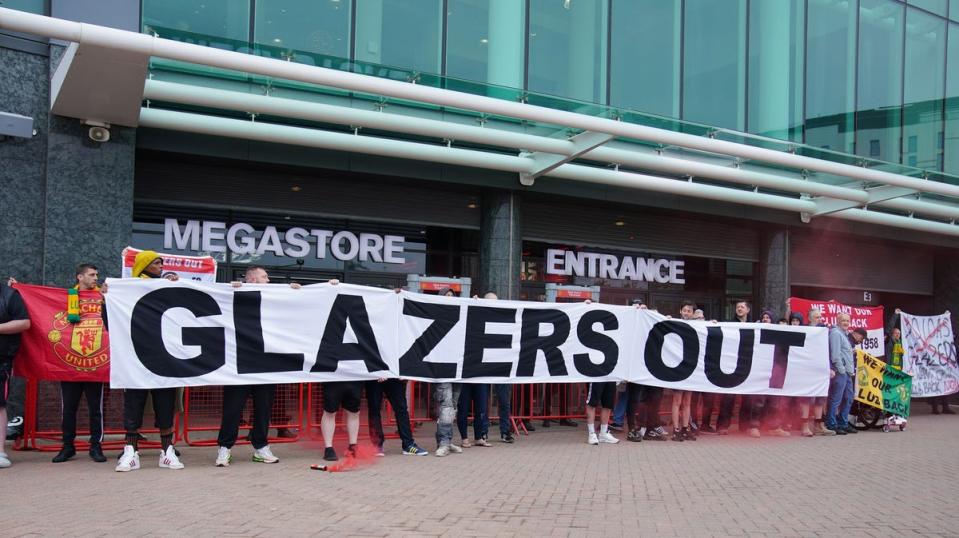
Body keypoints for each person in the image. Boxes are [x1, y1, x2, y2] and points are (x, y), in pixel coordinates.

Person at [103, 250, 184, 472]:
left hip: (165, 357)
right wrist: (107, 299)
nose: (160, 266)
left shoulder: (167, 287)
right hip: (135, 357)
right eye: (156, 262)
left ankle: (167, 451)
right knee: (134, 404)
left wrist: (176, 285)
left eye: (161, 263)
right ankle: (130, 451)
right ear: (144, 265)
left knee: (165, 404)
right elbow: (111, 321)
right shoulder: (127, 289)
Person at [214, 266, 298, 467]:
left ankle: (261, 446)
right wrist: (229, 289)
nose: (268, 280)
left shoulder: (274, 297)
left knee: (263, 409)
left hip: (265, 364)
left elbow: (296, 308)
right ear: (251, 279)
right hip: (238, 364)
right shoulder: (233, 294)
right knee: (232, 409)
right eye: (264, 276)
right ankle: (224, 448)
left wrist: (295, 291)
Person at [52, 264, 108, 464]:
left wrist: (108, 296)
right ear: (79, 277)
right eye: (92, 275)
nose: (96, 278)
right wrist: (18, 288)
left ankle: (96, 446)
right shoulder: (66, 296)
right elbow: (39, 300)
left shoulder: (102, 296)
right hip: (71, 365)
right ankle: (68, 446)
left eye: (97, 275)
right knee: (69, 409)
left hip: (95, 365)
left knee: (96, 409)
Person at [0, 279, 31, 468]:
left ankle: (1, 451)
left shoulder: (9, 295)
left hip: (1, 359)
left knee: (0, 405)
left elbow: (24, 322)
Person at [825, 314, 865, 435]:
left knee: (848, 398)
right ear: (837, 321)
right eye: (843, 320)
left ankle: (843, 423)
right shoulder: (836, 333)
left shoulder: (844, 334)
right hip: (841, 372)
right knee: (836, 399)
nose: (846, 322)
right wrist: (841, 370)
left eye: (847, 320)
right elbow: (835, 354)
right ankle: (831, 424)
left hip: (847, 372)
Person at [797, 309, 835, 437]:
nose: (820, 319)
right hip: (807, 368)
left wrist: (830, 367)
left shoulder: (825, 332)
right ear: (809, 318)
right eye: (816, 317)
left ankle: (819, 425)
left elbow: (827, 351)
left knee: (820, 398)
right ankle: (805, 426)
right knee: (806, 398)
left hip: (821, 368)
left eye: (820, 317)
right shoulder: (804, 330)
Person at [670, 301, 697, 441]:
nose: (686, 313)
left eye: (689, 311)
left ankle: (686, 428)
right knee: (677, 400)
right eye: (684, 310)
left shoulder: (699, 326)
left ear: (693, 313)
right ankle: (676, 429)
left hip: (690, 367)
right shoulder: (675, 323)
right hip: (678, 368)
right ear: (680, 311)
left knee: (687, 401)